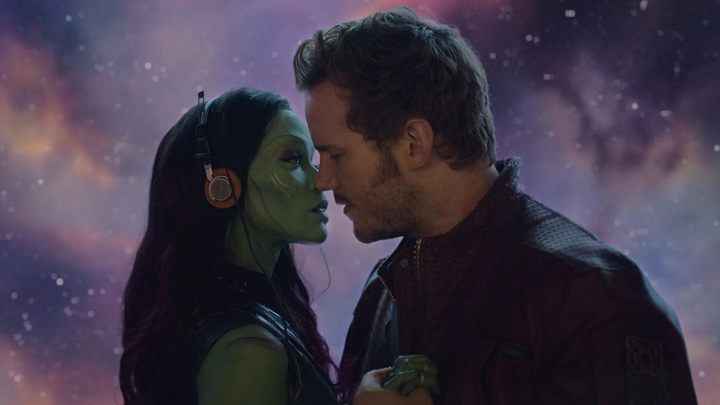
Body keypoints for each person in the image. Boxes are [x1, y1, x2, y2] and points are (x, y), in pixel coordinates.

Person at [293, 7, 698, 404]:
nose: (323, 180)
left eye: (336, 155)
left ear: (414, 143)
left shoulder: (600, 301)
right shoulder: (383, 292)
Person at [119, 87, 437, 405]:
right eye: (292, 159)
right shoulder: (248, 352)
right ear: (222, 187)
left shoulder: (224, 321)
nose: (322, 180)